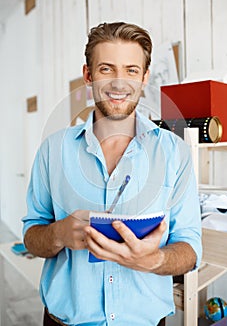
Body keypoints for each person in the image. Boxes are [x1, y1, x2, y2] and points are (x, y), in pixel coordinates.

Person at [22, 22, 202, 326]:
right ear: (89, 75)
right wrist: (58, 233)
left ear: (144, 78)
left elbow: (190, 247)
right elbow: (31, 236)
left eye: (131, 70)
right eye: (107, 69)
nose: (119, 83)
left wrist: (153, 259)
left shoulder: (175, 153)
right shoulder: (53, 151)